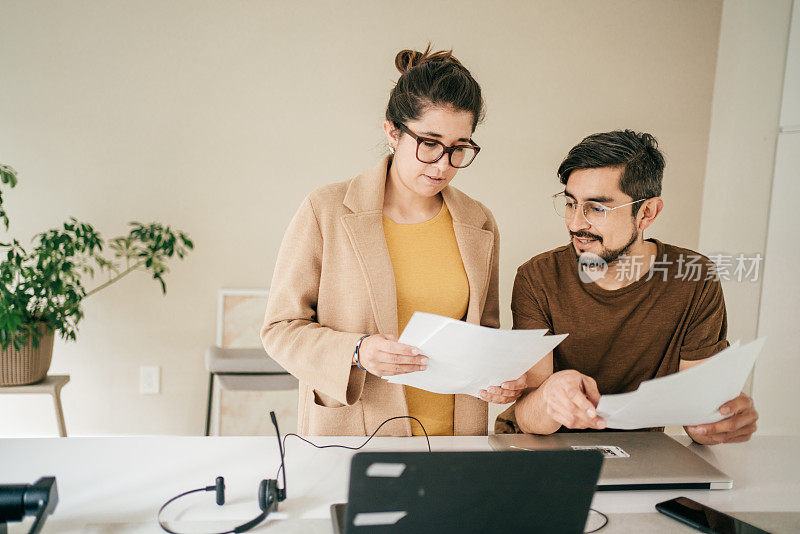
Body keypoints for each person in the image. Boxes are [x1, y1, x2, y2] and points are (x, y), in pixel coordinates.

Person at [262, 46, 525, 437]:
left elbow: (482, 332)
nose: (442, 164)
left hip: (454, 440)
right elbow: (280, 329)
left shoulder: (478, 222)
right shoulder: (327, 210)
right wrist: (357, 351)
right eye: (429, 143)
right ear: (392, 132)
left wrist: (500, 377)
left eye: (459, 148)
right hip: (357, 433)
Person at [496, 130, 758, 445]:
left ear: (647, 213)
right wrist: (550, 396)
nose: (576, 223)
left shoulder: (695, 278)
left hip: (640, 453)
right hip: (544, 449)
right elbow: (527, 415)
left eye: (597, 208)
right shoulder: (538, 277)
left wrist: (718, 422)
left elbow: (700, 413)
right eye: (570, 203)